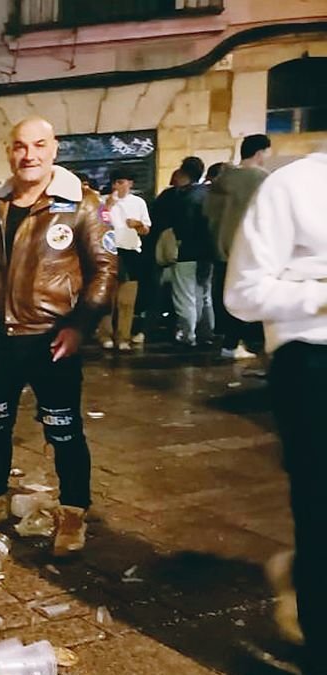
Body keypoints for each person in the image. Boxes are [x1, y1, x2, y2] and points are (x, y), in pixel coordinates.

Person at [0, 117, 117, 557]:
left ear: (54, 149)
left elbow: (106, 270)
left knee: (64, 432)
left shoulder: (83, 203)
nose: (29, 155)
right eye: (21, 146)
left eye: (39, 145)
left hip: (52, 342)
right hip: (0, 341)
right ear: (10, 151)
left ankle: (73, 513)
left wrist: (80, 326)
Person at [225, 148, 326, 674]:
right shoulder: (292, 186)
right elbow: (242, 293)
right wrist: (320, 299)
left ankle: (301, 575)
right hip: (313, 360)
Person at [206, 134, 271, 360]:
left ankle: (230, 342)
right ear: (260, 152)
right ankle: (236, 344)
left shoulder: (222, 179)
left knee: (227, 295)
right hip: (249, 248)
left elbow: (208, 214)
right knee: (249, 294)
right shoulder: (261, 180)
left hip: (222, 248)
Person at [161, 156, 216, 347]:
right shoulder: (208, 194)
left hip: (186, 252)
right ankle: (206, 332)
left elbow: (183, 227)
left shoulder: (185, 198)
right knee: (204, 294)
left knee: (185, 296)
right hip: (207, 253)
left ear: (183, 173)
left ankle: (187, 334)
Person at [96, 168, 152, 352]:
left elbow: (146, 229)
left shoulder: (138, 202)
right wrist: (108, 206)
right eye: (115, 182)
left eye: (121, 182)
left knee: (127, 299)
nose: (117, 186)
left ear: (130, 183)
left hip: (130, 249)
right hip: (109, 249)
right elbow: (96, 225)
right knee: (107, 299)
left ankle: (123, 337)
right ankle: (105, 334)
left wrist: (138, 225)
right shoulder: (102, 201)